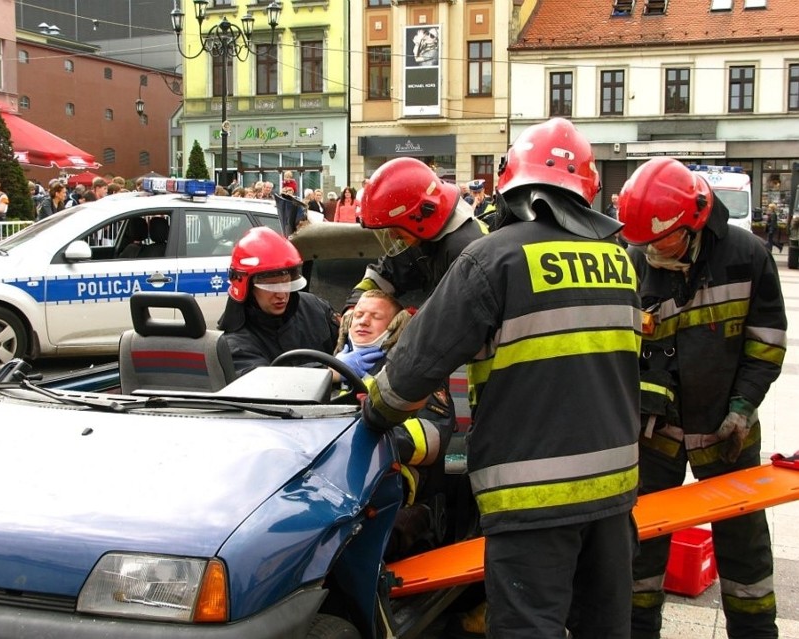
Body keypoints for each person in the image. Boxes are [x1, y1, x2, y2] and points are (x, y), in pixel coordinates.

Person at [362, 118, 642, 638]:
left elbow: (413, 370)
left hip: (532, 497)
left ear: (509, 183)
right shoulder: (620, 261)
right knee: (603, 626)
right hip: (614, 493)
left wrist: (375, 408)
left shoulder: (493, 258)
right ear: (589, 189)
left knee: (527, 627)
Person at [618, 156, 786, 639]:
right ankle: (637, 630)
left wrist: (742, 407)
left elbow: (766, 343)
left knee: (744, 544)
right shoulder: (634, 261)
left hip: (725, 428)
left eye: (660, 239)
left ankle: (755, 632)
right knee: (642, 544)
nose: (650, 249)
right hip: (654, 435)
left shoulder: (747, 256)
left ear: (693, 222)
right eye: (642, 241)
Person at [336, 289, 455, 559]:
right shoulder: (330, 367)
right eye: (359, 315)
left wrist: (364, 433)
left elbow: (431, 438)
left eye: (375, 317)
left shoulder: (415, 374)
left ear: (395, 327)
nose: (363, 322)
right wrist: (328, 374)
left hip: (389, 487)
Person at [348, 157, 488, 308]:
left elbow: (461, 317)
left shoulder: (464, 250)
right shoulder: (421, 237)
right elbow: (384, 275)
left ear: (418, 217)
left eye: (394, 228)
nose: (393, 236)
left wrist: (414, 323)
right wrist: (354, 306)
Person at [216, 226, 342, 377]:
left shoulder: (315, 308)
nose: (282, 295)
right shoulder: (233, 342)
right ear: (248, 288)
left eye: (286, 283)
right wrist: (328, 373)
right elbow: (264, 383)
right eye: (271, 286)